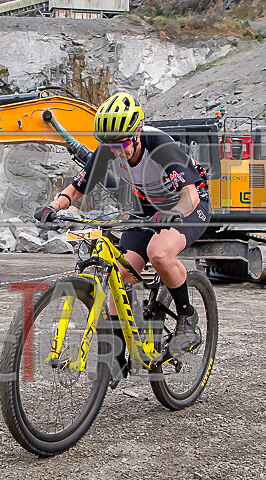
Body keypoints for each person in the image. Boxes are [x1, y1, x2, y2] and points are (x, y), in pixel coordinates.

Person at [35, 91, 212, 348]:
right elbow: (77, 188)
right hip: (146, 208)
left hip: (188, 204)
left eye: (121, 144)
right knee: (120, 271)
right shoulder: (109, 148)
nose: (116, 151)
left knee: (159, 252)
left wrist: (171, 213)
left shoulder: (160, 146)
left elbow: (190, 197)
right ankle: (116, 353)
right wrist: (54, 206)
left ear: (137, 132)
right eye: (110, 145)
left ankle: (187, 317)